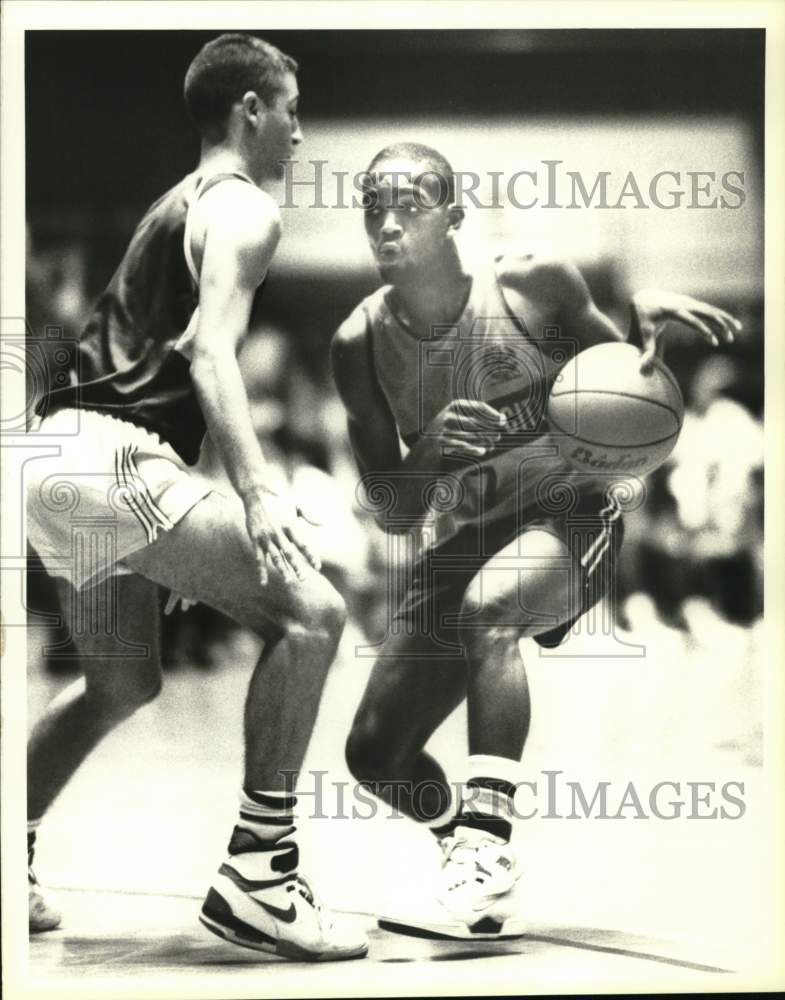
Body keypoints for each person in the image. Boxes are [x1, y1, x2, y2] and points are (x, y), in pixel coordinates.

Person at [331, 142, 740, 939]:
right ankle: (467, 857)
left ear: (453, 216)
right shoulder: (359, 345)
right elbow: (391, 511)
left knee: (490, 610)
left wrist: (638, 330)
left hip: (568, 510)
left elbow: (636, 396)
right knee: (375, 755)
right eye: (371, 206)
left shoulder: (532, 284)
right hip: (460, 537)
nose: (386, 222)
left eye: (408, 204)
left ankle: (486, 855)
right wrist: (425, 455)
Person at [26, 33, 367, 962]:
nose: (300, 133)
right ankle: (261, 875)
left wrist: (175, 520)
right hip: (113, 458)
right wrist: (254, 496)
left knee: (121, 682)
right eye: (292, 111)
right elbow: (208, 355)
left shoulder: (170, 205)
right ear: (249, 110)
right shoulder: (246, 211)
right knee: (312, 611)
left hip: (50, 460)